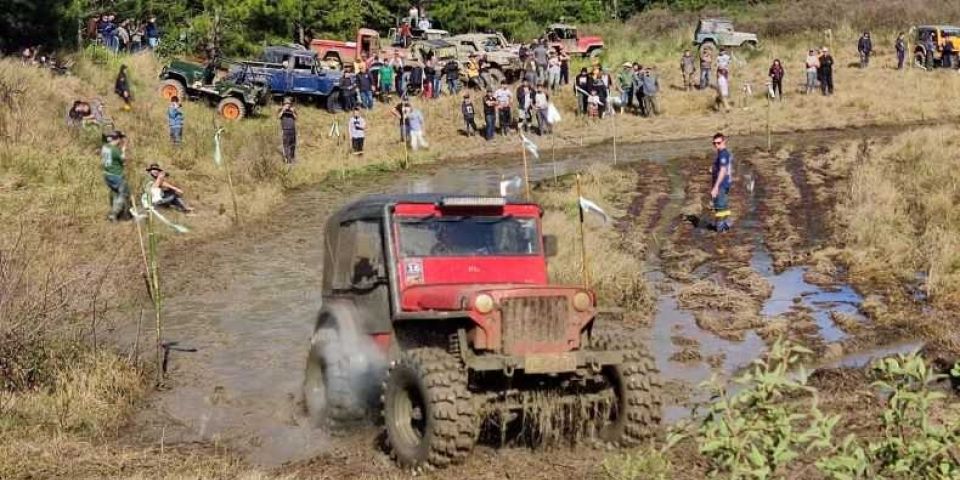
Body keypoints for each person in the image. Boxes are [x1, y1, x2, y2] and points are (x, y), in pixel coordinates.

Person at [101, 131, 129, 222]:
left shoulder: (105, 147)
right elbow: (123, 160)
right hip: (116, 175)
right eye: (120, 139)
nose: (121, 141)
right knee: (123, 194)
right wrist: (124, 149)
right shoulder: (115, 150)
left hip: (107, 174)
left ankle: (116, 212)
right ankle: (114, 214)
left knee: (115, 193)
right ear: (117, 139)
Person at [710, 133, 733, 232]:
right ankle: (726, 225)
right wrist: (714, 168)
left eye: (718, 143)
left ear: (724, 142)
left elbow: (723, 171)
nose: (716, 145)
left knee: (719, 207)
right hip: (724, 183)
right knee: (723, 205)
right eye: (714, 143)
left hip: (721, 185)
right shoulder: (721, 153)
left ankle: (720, 229)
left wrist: (716, 187)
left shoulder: (723, 154)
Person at [278, 98, 297, 163]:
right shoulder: (281, 109)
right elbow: (278, 116)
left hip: (292, 129)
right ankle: (287, 159)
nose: (288, 105)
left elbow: (296, 118)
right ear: (284, 104)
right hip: (285, 130)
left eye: (289, 103)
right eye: (286, 103)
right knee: (286, 145)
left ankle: (292, 158)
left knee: (293, 144)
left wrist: (292, 111)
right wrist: (283, 110)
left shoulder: (292, 109)